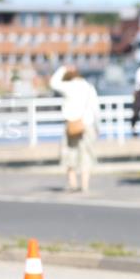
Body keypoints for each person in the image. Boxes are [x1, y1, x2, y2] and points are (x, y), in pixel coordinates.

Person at [49, 64, 100, 193]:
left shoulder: (69, 86)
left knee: (70, 153)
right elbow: (96, 109)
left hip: (71, 124)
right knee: (86, 154)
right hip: (87, 124)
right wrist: (98, 127)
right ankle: (85, 184)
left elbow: (53, 83)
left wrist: (62, 68)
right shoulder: (89, 87)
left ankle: (72, 183)